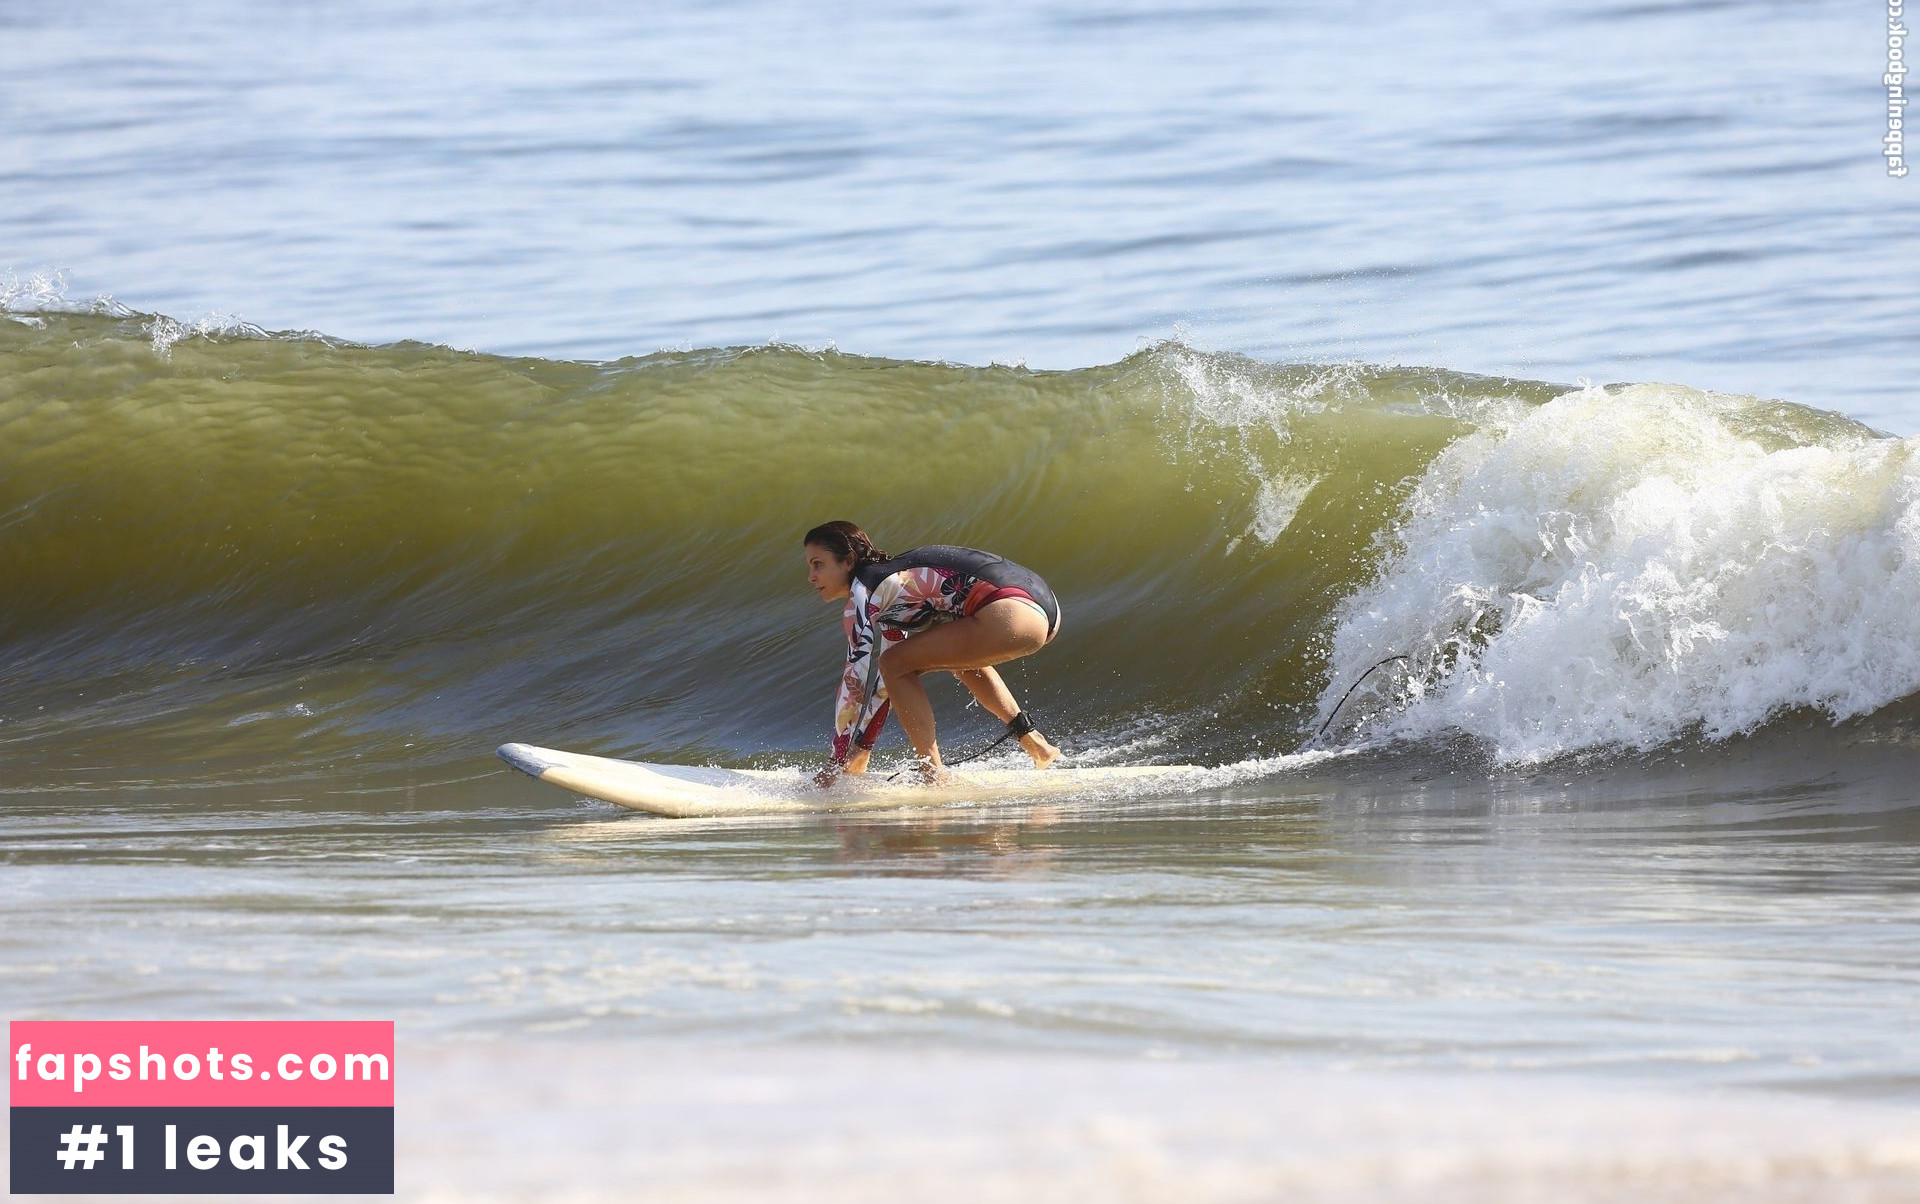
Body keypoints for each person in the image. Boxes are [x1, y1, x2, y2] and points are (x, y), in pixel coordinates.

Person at [803, 521, 1064, 787]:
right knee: (952, 661)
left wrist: (835, 765)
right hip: (1041, 610)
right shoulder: (894, 585)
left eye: (818, 564)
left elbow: (854, 684)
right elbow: (887, 685)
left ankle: (932, 773)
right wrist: (860, 751)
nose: (811, 576)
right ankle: (1033, 741)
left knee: (894, 664)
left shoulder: (864, 592)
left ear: (847, 561)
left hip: (1009, 613)